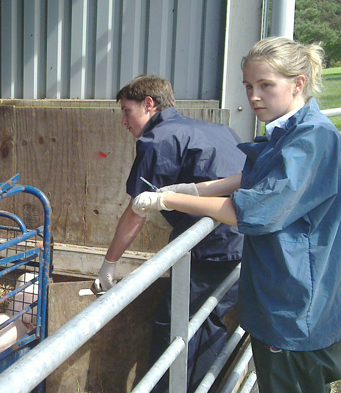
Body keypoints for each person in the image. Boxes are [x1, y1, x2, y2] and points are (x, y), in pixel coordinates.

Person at [133, 38, 341, 393]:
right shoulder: (289, 130)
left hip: (292, 307)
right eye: (248, 86)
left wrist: (171, 201)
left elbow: (254, 209)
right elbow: (255, 178)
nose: (254, 96)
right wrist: (196, 189)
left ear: (298, 84)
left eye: (266, 85)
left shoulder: (312, 139)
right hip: (282, 292)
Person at [92, 75, 246, 393]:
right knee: (209, 321)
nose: (124, 121)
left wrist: (109, 264)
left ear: (150, 104)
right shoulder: (218, 129)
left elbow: (138, 210)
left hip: (209, 249)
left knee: (173, 325)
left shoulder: (158, 139)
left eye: (127, 111)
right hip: (244, 242)